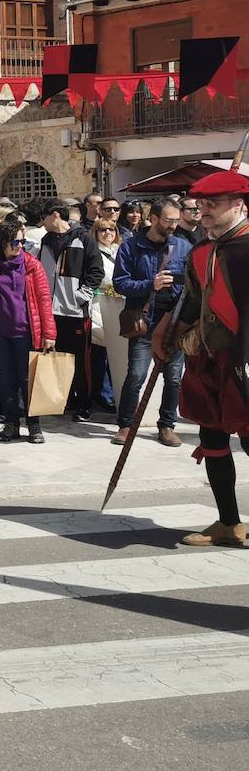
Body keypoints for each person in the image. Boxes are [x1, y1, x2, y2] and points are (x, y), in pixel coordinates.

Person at [155, 171, 249, 547]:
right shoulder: (199, 252)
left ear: (239, 204)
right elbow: (192, 302)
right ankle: (229, 522)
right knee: (212, 436)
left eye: (214, 203)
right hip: (210, 359)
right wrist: (166, 331)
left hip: (244, 359)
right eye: (201, 205)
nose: (203, 210)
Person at [112, 197, 191, 448]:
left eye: (177, 221)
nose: (173, 226)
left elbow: (192, 283)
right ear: (154, 219)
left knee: (174, 377)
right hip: (144, 321)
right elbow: (120, 283)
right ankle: (126, 425)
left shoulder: (182, 247)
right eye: (169, 221)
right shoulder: (131, 247)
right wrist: (150, 284)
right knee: (136, 375)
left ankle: (167, 426)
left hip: (173, 322)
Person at [0, 222, 57, 443]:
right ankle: (11, 424)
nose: (19, 246)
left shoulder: (32, 265)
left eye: (22, 241)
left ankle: (34, 425)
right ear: (1, 243)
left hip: (27, 333)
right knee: (6, 381)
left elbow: (44, 300)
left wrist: (49, 333)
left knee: (28, 380)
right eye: (15, 242)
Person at [38, 199, 104, 423]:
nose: (41, 223)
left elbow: (96, 271)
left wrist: (81, 297)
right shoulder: (46, 241)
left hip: (75, 312)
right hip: (50, 311)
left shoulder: (83, 238)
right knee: (57, 357)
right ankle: (63, 399)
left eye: (44, 217)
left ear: (55, 215)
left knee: (81, 360)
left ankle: (84, 403)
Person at [92, 217, 129, 414]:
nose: (108, 233)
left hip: (119, 305)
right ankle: (104, 394)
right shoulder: (94, 253)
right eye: (103, 230)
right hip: (99, 305)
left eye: (112, 229)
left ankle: (115, 393)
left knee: (115, 352)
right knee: (101, 352)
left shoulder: (119, 251)